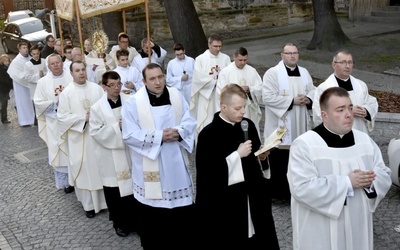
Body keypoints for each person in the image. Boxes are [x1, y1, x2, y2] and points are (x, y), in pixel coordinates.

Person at [287, 86, 392, 250]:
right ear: (324, 115)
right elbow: (301, 188)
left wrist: (370, 181)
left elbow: (383, 172)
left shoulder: (364, 141)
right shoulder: (305, 145)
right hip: (319, 232)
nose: (349, 114)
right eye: (340, 110)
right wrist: (347, 183)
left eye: (350, 108)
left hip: (358, 226)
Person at [195, 83, 279, 249]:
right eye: (237, 108)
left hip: (253, 196)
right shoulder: (208, 135)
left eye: (244, 107)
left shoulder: (248, 125)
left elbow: (255, 158)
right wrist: (236, 156)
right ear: (223, 107)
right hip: (226, 204)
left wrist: (262, 157)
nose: (242, 112)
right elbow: (207, 175)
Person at [121, 63, 196, 249]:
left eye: (160, 77)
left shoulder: (176, 96)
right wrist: (159, 137)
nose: (158, 82)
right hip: (149, 164)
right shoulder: (133, 103)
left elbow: (189, 120)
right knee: (153, 215)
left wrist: (178, 132)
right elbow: (129, 134)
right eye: (152, 79)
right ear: (144, 81)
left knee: (181, 213)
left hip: (176, 163)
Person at [262, 42, 315, 200]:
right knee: (280, 158)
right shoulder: (272, 73)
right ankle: (279, 193)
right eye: (289, 53)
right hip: (281, 124)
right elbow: (267, 97)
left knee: (299, 156)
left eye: (295, 53)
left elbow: (313, 90)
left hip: (301, 124)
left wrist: (309, 99)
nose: (292, 56)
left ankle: (298, 191)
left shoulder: (305, 72)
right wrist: (292, 101)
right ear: (282, 55)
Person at [89, 71, 138, 237]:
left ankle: (136, 222)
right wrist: (117, 127)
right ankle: (120, 223)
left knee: (133, 189)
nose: (117, 88)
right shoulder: (96, 109)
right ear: (104, 86)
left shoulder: (130, 101)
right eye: (112, 85)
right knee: (115, 193)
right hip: (109, 155)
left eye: (119, 84)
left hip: (130, 151)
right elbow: (95, 132)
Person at [57, 61, 107, 218]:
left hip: (98, 138)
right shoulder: (67, 93)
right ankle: (89, 205)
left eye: (82, 69)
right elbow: (62, 117)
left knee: (100, 169)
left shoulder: (97, 89)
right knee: (85, 170)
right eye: (77, 70)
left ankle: (105, 202)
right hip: (80, 139)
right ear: (71, 73)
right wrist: (83, 118)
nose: (81, 73)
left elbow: (106, 108)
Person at [33, 54, 74, 193]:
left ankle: (77, 178)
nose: (56, 65)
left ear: (62, 63)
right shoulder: (43, 82)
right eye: (52, 64)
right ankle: (66, 184)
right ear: (48, 66)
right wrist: (54, 103)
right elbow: (38, 102)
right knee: (60, 150)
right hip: (54, 122)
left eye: (58, 62)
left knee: (74, 149)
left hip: (72, 121)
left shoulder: (71, 76)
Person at [312, 49, 378, 133]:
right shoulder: (324, 88)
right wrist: (348, 111)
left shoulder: (361, 85)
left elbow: (371, 103)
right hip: (337, 135)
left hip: (359, 132)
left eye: (350, 62)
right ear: (334, 65)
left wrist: (365, 111)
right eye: (343, 62)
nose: (347, 66)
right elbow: (318, 114)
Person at [190, 34, 231, 137]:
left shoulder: (225, 58)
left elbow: (230, 75)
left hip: (222, 96)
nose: (218, 49)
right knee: (207, 120)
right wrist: (214, 83)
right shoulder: (200, 59)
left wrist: (222, 85)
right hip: (207, 96)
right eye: (215, 46)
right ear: (209, 45)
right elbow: (198, 78)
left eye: (219, 46)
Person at [217, 47, 263, 134]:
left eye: (245, 60)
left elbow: (260, 88)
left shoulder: (252, 71)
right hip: (233, 110)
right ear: (234, 57)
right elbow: (221, 92)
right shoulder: (225, 72)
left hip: (249, 109)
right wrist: (236, 92)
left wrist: (250, 89)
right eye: (240, 60)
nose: (243, 63)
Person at [7, 42, 35, 127]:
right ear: (19, 49)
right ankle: (25, 121)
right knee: (23, 102)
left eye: (26, 47)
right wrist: (27, 78)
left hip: (31, 84)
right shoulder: (16, 61)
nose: (26, 49)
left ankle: (34, 119)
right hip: (21, 86)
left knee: (31, 102)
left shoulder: (31, 58)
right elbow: (15, 74)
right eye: (23, 48)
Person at [23, 44, 47, 126]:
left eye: (37, 53)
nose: (36, 55)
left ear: (39, 52)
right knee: (37, 105)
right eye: (34, 54)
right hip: (34, 88)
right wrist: (38, 75)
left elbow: (49, 73)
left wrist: (44, 73)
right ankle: (38, 122)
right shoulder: (28, 65)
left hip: (44, 87)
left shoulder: (44, 61)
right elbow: (27, 77)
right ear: (31, 54)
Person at [0, 54, 13, 123]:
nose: (7, 62)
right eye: (5, 61)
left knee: (4, 103)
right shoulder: (3, 69)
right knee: (4, 103)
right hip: (3, 89)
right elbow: (4, 79)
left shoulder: (9, 68)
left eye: (7, 61)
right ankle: (4, 118)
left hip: (5, 89)